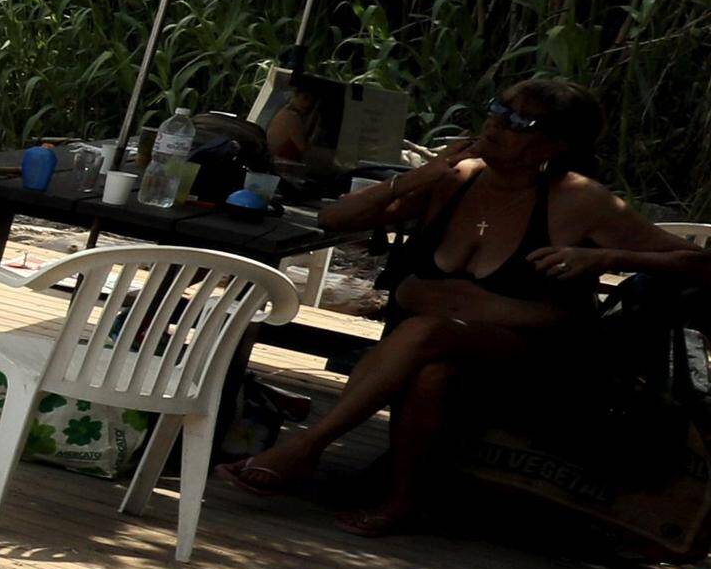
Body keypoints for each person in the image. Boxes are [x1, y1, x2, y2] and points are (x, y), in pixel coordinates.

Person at [229, 81, 704, 531]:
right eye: (498, 109)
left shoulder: (578, 200)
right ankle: (403, 500)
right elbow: (334, 218)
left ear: (553, 146)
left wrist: (607, 256)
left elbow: (700, 264)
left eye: (520, 122)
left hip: (538, 366)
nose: (496, 124)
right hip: (433, 353)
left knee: (427, 333)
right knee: (431, 368)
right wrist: (418, 178)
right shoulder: (454, 178)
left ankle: (308, 446)